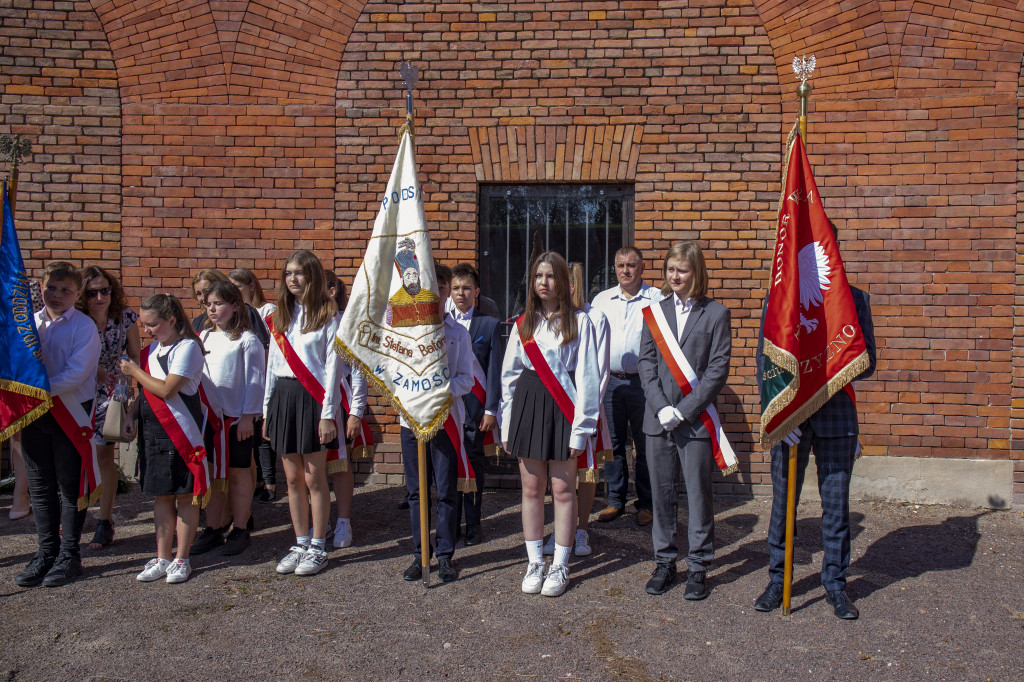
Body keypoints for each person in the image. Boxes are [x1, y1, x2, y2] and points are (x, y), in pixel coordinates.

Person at [753, 238, 877, 620]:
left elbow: (868, 362)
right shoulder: (780, 297)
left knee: (836, 506)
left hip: (837, 416)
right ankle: (779, 579)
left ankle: (836, 584)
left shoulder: (854, 299)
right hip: (791, 417)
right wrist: (777, 416)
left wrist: (841, 351)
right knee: (783, 504)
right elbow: (765, 361)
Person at [501, 252, 600, 597]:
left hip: (564, 408)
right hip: (528, 405)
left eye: (551, 276)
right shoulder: (522, 324)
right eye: (538, 276)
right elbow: (509, 377)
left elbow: (588, 378)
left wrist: (582, 428)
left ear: (563, 282)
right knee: (530, 489)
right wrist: (506, 424)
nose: (544, 282)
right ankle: (533, 562)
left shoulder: (581, 323)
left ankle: (560, 564)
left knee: (561, 489)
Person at [638, 241, 732, 599]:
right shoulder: (654, 312)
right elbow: (645, 364)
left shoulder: (716, 314)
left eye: (682, 270)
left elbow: (717, 369)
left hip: (694, 421)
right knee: (661, 496)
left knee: (698, 495)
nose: (674, 276)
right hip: (657, 419)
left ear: (696, 273)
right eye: (670, 270)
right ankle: (664, 561)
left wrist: (684, 409)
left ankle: (698, 565)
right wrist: (662, 407)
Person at [15, 262, 101, 588]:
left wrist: (37, 390)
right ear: (41, 286)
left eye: (66, 290)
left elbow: (77, 373)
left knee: (69, 487)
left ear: (78, 294)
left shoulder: (83, 327)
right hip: (36, 414)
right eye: (52, 287)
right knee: (40, 487)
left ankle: (69, 555)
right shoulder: (28, 325)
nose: (57, 295)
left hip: (69, 413)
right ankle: (45, 552)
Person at [120, 293, 208, 585]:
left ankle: (182, 557)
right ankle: (162, 557)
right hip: (153, 431)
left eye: (153, 325)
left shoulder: (188, 348)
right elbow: (146, 392)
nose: (147, 331)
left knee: (185, 496)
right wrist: (131, 415)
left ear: (172, 320)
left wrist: (133, 370)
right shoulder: (151, 351)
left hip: (180, 431)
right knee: (161, 496)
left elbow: (167, 389)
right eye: (144, 325)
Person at [264, 250, 340, 577]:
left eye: (300, 273)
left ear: (313, 277)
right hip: (283, 395)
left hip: (312, 399)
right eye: (289, 273)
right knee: (292, 478)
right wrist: (267, 408)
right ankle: (300, 541)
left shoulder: (327, 316)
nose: (293, 279)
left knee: (314, 477)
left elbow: (333, 370)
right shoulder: (280, 316)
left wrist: (328, 414)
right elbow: (271, 366)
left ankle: (319, 545)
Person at [400, 263, 473, 583]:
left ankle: (444, 554)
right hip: (412, 420)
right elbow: (394, 373)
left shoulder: (458, 333)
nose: (440, 293)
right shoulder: (406, 331)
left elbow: (466, 380)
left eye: (444, 288)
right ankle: (420, 554)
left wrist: (440, 390)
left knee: (445, 490)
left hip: (444, 421)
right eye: (435, 286)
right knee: (417, 492)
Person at [190, 281, 265, 556]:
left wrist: (248, 416)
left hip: (237, 421)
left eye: (219, 303)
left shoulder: (247, 339)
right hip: (209, 420)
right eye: (208, 304)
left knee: (238, 473)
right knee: (212, 474)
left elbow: (256, 381)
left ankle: (241, 527)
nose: (212, 309)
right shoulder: (203, 337)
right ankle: (213, 528)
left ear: (235, 306)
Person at [590, 246, 662, 525]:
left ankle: (646, 503)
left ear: (642, 267)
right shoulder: (602, 300)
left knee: (645, 444)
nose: (625, 270)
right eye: (620, 265)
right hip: (610, 382)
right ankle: (615, 501)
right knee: (613, 444)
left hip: (644, 383)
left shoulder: (656, 298)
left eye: (631, 265)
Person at [543, 262, 608, 558]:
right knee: (559, 472)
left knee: (585, 470)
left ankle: (581, 528)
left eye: (569, 282)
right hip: (556, 403)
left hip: (584, 403)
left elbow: (600, 368)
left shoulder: (593, 318)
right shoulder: (548, 318)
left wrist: (589, 411)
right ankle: (561, 529)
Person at [76, 266, 141, 550]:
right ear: (82, 295)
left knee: (105, 454)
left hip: (113, 392)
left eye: (105, 290)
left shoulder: (124, 316)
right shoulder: (77, 319)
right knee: (76, 457)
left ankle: (104, 521)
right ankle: (75, 514)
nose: (100, 297)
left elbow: (136, 355)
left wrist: (127, 388)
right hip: (78, 391)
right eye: (92, 292)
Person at [449, 263, 504, 546]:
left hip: (474, 411)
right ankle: (450, 525)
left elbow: (494, 370)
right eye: (456, 288)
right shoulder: (441, 324)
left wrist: (491, 409)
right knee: (447, 469)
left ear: (477, 291)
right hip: (447, 411)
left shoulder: (489, 324)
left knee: (472, 466)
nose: (461, 293)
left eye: (467, 288)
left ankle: (473, 524)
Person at [324, 270, 369, 551]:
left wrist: (356, 411)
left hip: (339, 401)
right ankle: (317, 524)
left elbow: (358, 370)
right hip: (308, 403)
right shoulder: (298, 322)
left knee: (340, 465)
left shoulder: (345, 324)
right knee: (309, 470)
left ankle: (342, 520)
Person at [228, 267, 277, 503]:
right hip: (242, 378)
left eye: (237, 287)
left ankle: (269, 482)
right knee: (250, 435)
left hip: (264, 373)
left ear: (250, 286)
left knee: (261, 433)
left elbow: (275, 343)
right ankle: (256, 480)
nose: (234, 292)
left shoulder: (267, 310)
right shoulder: (231, 312)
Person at [192, 268, 270, 348]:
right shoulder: (198, 321)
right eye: (198, 294)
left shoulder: (246, 311)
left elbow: (262, 348)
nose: (203, 297)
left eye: (206, 291)